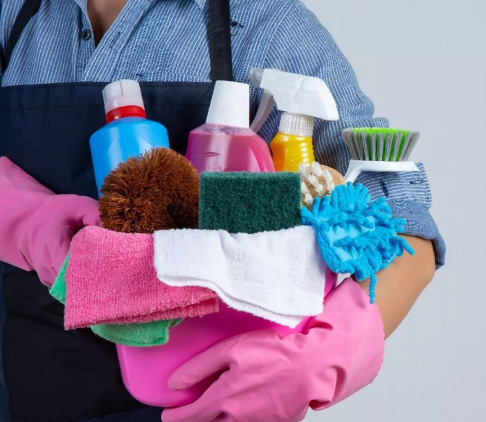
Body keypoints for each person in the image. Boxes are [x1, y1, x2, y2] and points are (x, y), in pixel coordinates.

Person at [0, 0, 445, 421]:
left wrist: (329, 353)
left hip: (197, 394)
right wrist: (25, 218)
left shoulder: (265, 25)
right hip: (22, 387)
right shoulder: (14, 15)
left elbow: (408, 228)